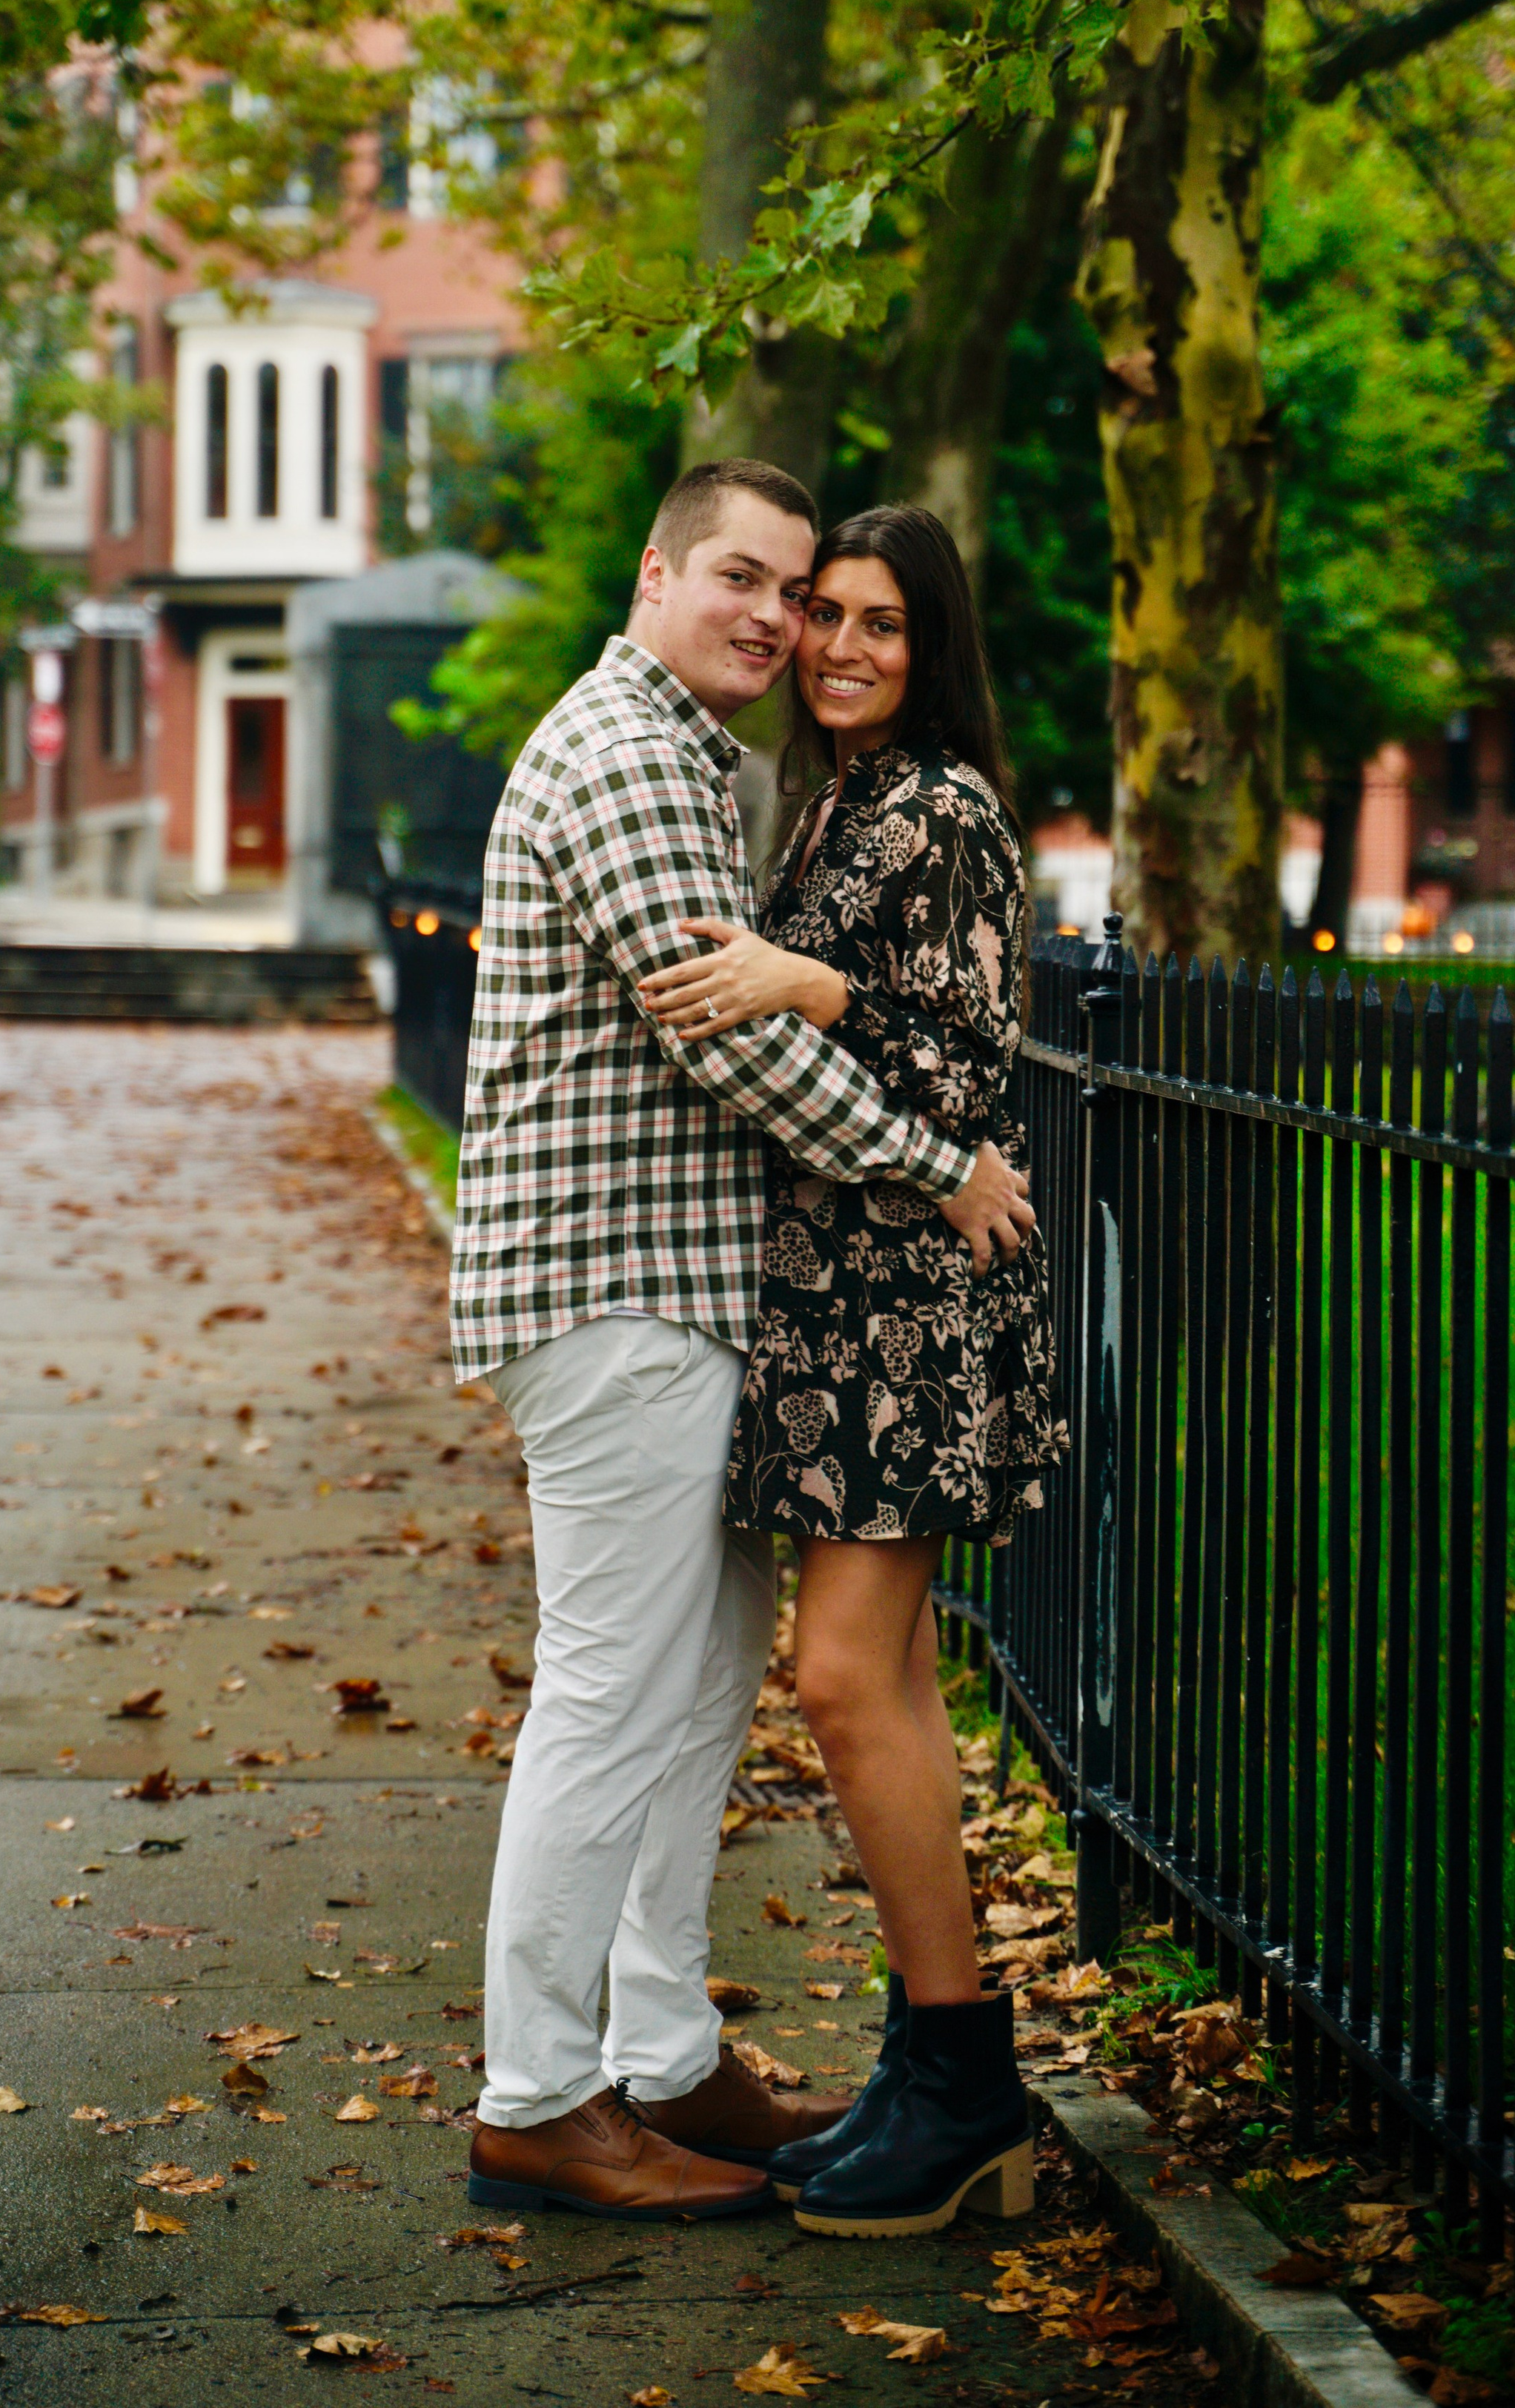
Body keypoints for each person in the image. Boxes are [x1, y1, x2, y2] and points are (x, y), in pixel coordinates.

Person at [451, 460, 1038, 2223]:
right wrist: (944, 1166)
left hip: (703, 1299)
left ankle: (655, 2051)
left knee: (692, 1691)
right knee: (613, 1694)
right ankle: (541, 2093)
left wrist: (829, 999)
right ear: (656, 571)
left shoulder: (757, 777)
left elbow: (860, 1003)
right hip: (620, 1291)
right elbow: (732, 1047)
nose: (781, 620)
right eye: (752, 578)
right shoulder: (633, 757)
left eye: (812, 595)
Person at [641, 503, 1063, 2239]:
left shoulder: (944, 808)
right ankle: (925, 2064)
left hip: (911, 1311)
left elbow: (967, 1064)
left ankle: (963, 2080)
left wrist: (806, 976)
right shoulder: (834, 799)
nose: (838, 646)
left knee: (838, 1679)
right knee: (859, 1685)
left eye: (880, 622)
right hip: (839, 1310)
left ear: (930, 643)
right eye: (822, 613)